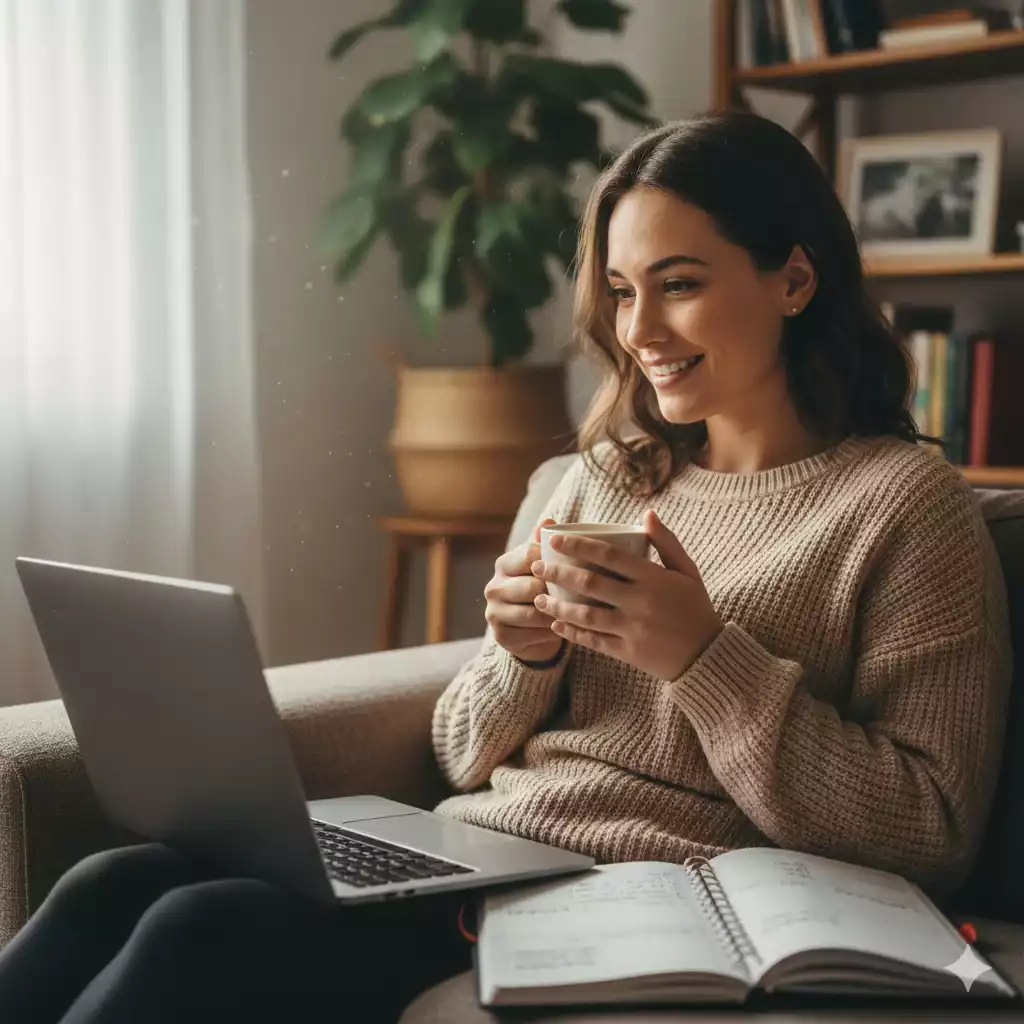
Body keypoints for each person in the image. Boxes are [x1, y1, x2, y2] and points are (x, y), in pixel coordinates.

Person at [0, 111, 1010, 1023]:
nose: (639, 332)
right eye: (621, 291)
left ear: (793, 278)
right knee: (116, 879)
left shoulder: (902, 507)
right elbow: (458, 752)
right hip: (480, 853)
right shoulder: (601, 478)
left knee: (199, 934)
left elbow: (929, 829)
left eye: (681, 284)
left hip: (634, 893)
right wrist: (519, 657)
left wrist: (704, 655)